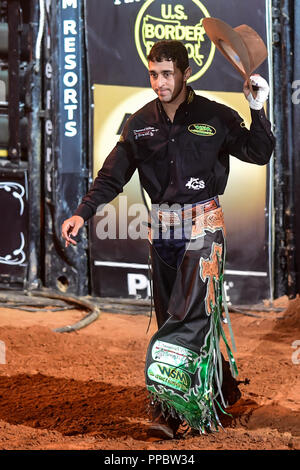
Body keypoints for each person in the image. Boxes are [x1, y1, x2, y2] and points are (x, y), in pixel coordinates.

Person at [61, 40, 275, 439]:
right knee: (174, 316)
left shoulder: (216, 116)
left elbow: (259, 152)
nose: (159, 82)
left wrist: (257, 108)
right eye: (153, 74)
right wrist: (82, 212)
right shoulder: (139, 123)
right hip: (162, 231)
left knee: (187, 315)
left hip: (203, 227)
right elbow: (112, 175)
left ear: (185, 72)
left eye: (166, 74)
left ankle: (167, 408)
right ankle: (221, 392)